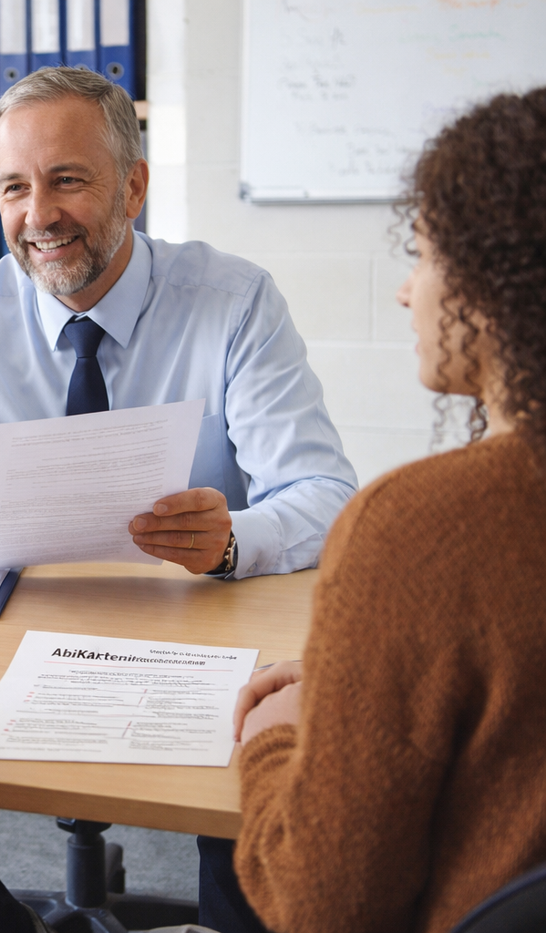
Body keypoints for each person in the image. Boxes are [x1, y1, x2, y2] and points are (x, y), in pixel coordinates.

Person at [0, 65, 359, 933]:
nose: (38, 215)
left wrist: (232, 538)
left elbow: (324, 494)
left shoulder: (234, 303)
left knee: (257, 770)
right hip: (23, 626)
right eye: (14, 187)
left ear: (135, 186)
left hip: (200, 634)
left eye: (67, 179)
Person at [200, 87, 546, 933]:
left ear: (497, 284)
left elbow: (322, 904)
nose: (406, 291)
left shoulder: (421, 527)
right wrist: (364, 688)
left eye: (424, 254)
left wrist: (279, 733)